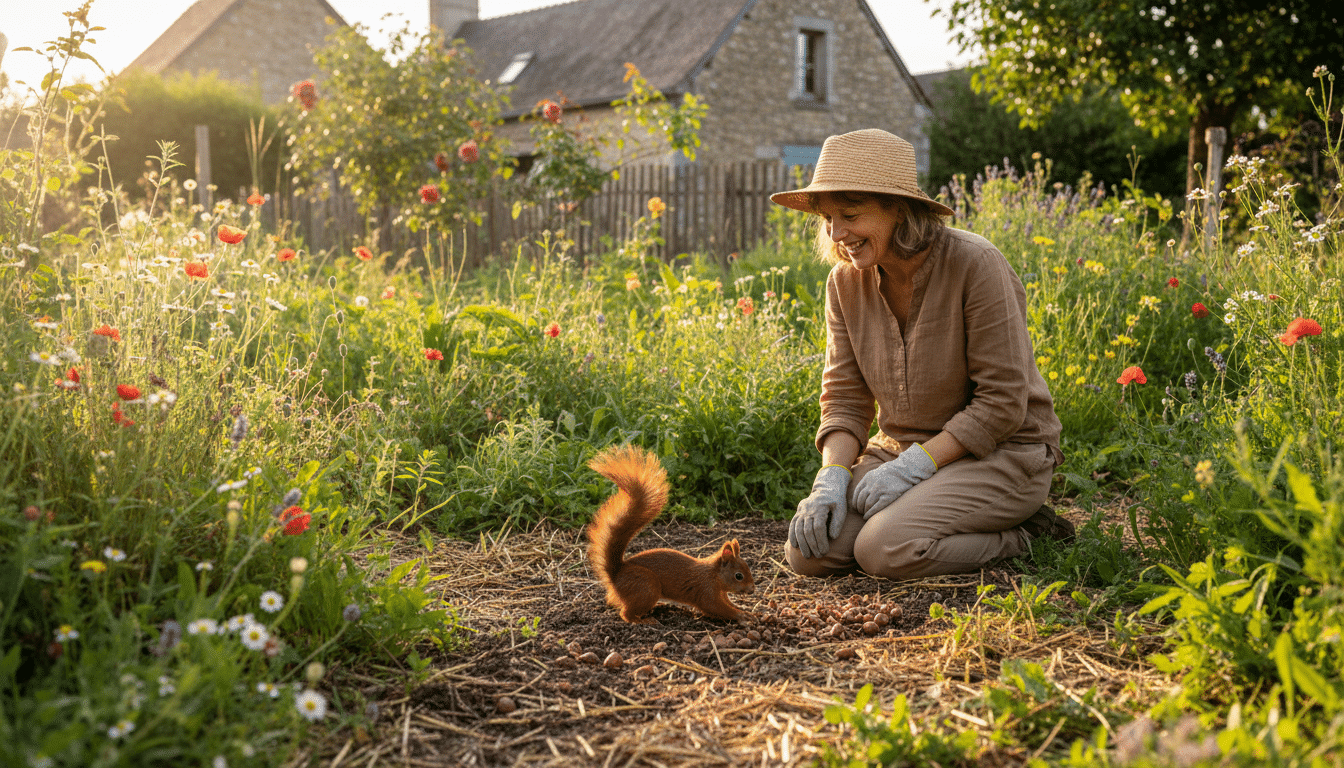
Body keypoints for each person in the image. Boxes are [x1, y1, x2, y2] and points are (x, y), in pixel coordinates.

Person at [771, 129, 1072, 580]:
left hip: (1002, 453)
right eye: (828, 219)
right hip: (902, 451)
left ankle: (1027, 535)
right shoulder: (844, 284)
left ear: (898, 208)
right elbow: (845, 400)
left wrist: (917, 467)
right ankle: (926, 514)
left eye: (850, 214)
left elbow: (1003, 403)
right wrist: (830, 478)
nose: (837, 234)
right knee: (811, 553)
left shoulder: (975, 263)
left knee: (883, 550)